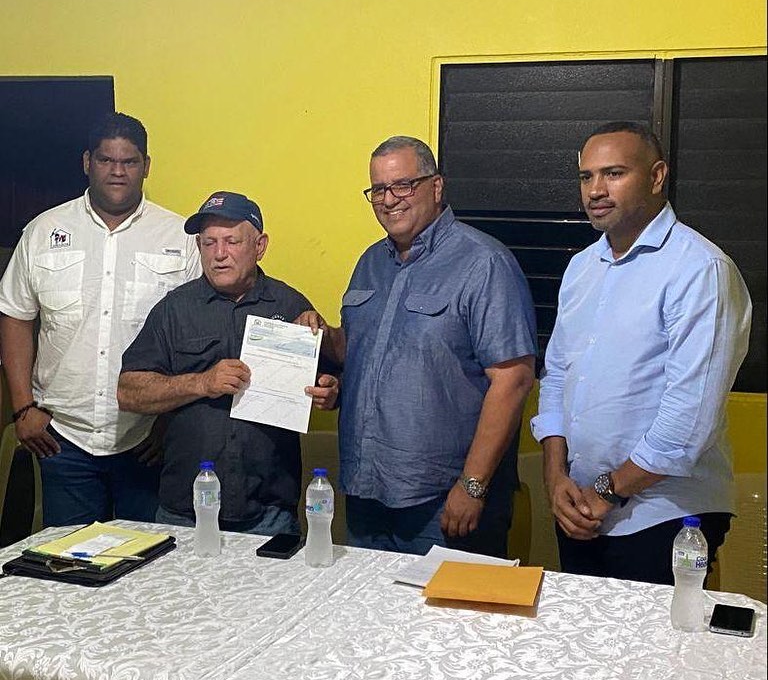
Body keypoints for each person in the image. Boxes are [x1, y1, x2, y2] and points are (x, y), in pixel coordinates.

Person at [531, 121, 752, 585]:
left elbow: (689, 418)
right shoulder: (581, 267)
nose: (595, 190)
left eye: (613, 173)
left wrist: (607, 491)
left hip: (666, 516)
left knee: (659, 636)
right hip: (581, 506)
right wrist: (555, 477)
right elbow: (557, 377)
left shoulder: (700, 269)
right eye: (586, 176)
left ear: (656, 177)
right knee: (583, 631)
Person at [301, 136, 537, 557]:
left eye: (403, 185)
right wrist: (325, 338)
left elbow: (513, 380)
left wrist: (473, 485)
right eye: (378, 189)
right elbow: (362, 351)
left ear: (436, 186)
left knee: (448, 604)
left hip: (444, 502)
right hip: (366, 492)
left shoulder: (484, 262)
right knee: (367, 601)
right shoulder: (370, 262)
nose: (389, 199)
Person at [0, 112, 200, 527]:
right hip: (62, 438)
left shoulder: (180, 237)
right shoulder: (43, 231)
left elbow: (196, 336)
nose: (117, 171)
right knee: (68, 556)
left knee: (149, 558)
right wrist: (22, 408)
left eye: (129, 162)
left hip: (147, 440)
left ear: (146, 166)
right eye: (107, 160)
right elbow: (16, 315)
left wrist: (170, 423)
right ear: (87, 162)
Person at [117, 191, 338, 535]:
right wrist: (202, 382)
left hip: (269, 514)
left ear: (260, 246)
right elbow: (128, 392)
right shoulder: (174, 309)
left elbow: (331, 384)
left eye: (232, 241)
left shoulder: (291, 306)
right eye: (209, 243)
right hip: (184, 512)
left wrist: (329, 391)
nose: (219, 254)